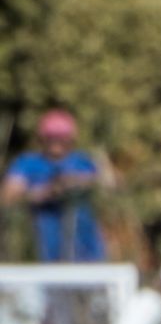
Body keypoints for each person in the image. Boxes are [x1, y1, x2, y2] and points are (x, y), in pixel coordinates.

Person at [1, 108, 107, 262]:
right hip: (43, 242)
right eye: (51, 137)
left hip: (86, 245)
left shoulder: (84, 161)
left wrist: (81, 182)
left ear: (71, 138)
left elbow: (110, 186)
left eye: (62, 137)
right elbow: (8, 196)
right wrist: (44, 192)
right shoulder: (28, 163)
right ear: (42, 138)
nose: (56, 142)